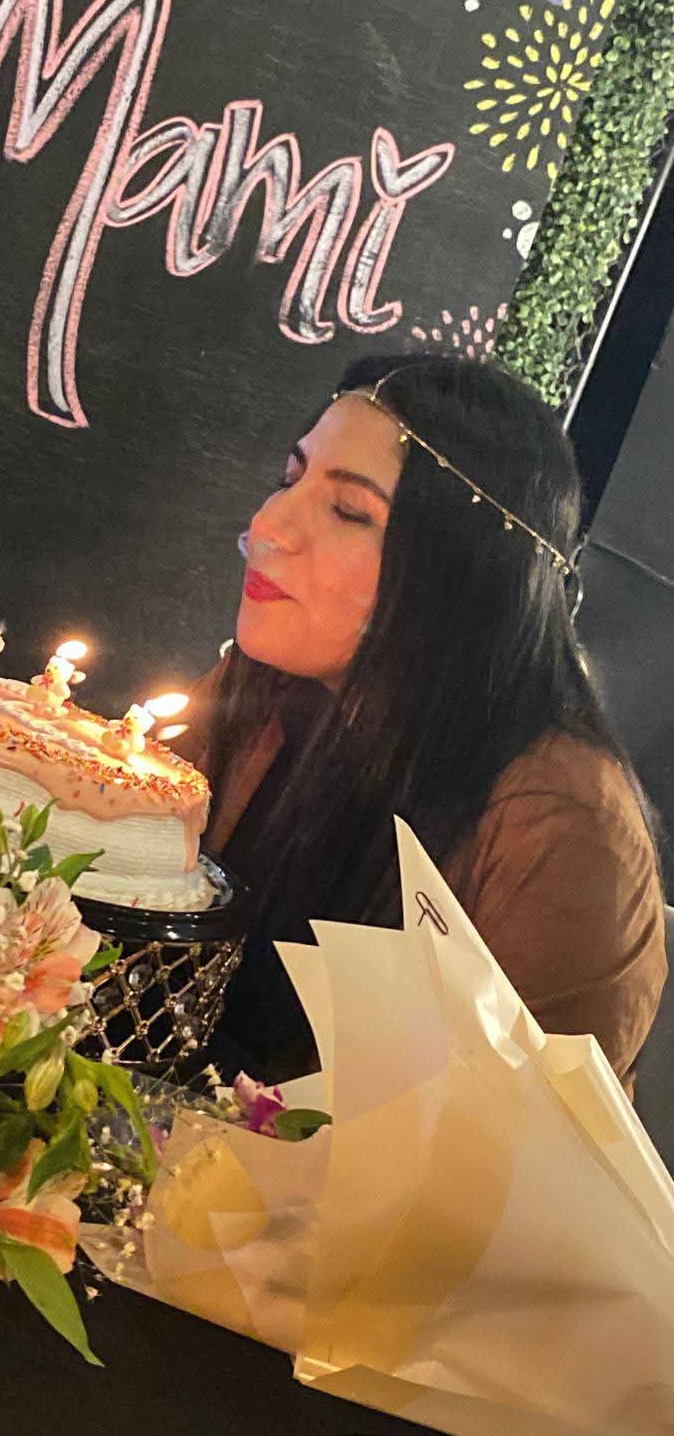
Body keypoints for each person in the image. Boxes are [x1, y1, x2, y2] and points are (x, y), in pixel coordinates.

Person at [180, 355, 667, 1093]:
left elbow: (512, 1142)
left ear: (465, 573)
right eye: (289, 478)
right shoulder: (261, 692)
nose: (270, 524)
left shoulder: (562, 826)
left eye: (350, 512)